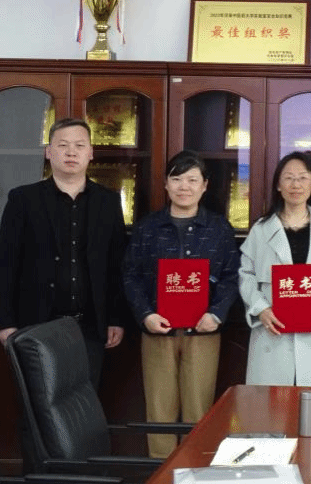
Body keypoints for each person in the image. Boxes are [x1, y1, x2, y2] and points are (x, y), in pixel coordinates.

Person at [122, 150, 239, 458]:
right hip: (157, 332)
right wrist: (145, 314)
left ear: (204, 185)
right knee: (158, 410)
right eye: (176, 179)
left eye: (192, 180)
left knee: (199, 410)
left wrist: (216, 314)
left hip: (203, 332)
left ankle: (193, 470)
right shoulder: (148, 228)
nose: (184, 186)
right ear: (166, 184)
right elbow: (130, 275)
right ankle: (160, 470)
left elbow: (232, 276)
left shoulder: (219, 228)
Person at [0, 117, 126, 388]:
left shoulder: (108, 201)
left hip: (90, 327)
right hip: (35, 324)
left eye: (79, 145)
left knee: (84, 404)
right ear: (48, 152)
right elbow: (5, 264)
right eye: (62, 145)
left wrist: (116, 318)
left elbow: (116, 265)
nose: (71, 152)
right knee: (38, 404)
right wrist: (5, 322)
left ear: (91, 153)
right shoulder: (23, 199)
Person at [239, 152, 311, 386]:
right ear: (278, 185)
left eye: (303, 178)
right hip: (271, 333)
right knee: (270, 405)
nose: (296, 185)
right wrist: (261, 309)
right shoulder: (261, 229)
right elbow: (246, 274)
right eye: (289, 178)